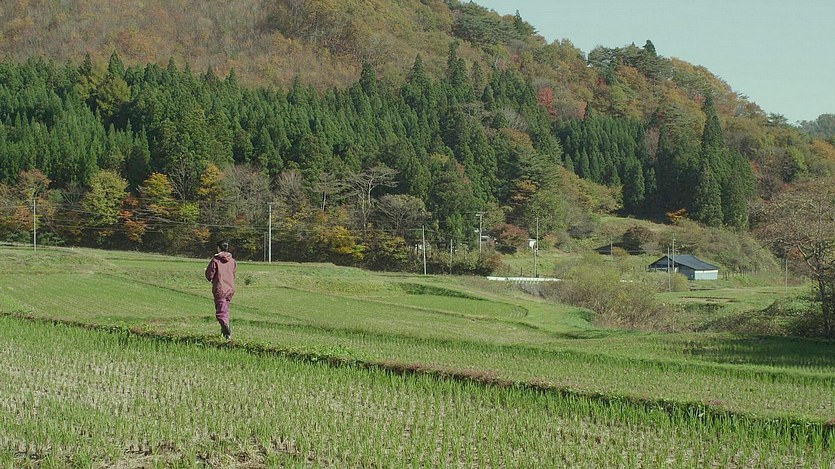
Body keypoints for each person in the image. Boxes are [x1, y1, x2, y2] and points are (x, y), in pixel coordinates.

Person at [205, 240, 236, 339]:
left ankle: (227, 331)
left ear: (218, 247)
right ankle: (225, 334)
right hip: (230, 288)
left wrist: (209, 276)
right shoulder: (232, 260)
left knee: (221, 313)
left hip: (220, 288)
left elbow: (209, 275)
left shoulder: (215, 260)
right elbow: (234, 273)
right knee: (225, 309)